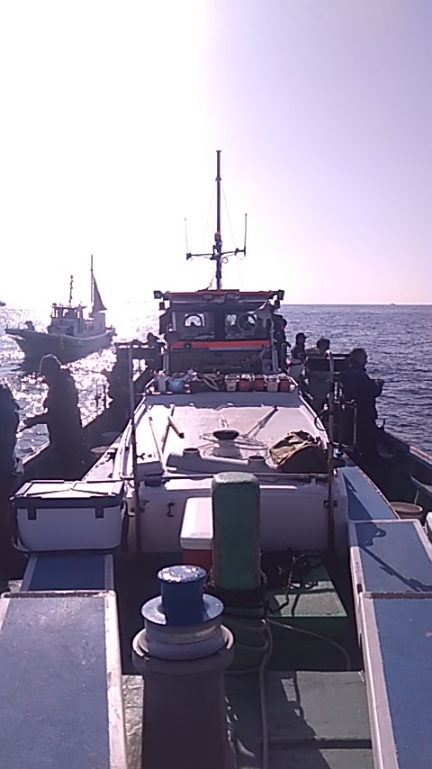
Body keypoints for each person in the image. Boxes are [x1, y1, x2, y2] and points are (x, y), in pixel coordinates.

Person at [23, 355, 88, 479]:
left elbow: (57, 415)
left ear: (51, 372)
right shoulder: (63, 382)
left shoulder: (61, 388)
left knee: (70, 464)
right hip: (71, 429)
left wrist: (34, 420)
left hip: (66, 434)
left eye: (46, 375)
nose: (46, 378)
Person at [341, 348, 384, 460]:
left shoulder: (349, 371)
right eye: (365, 357)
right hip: (363, 412)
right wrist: (378, 386)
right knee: (366, 438)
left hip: (353, 411)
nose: (366, 360)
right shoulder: (358, 374)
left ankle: (360, 454)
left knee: (356, 435)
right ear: (358, 358)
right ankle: (370, 460)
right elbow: (370, 391)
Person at [0, 383, 24, 581]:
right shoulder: (8, 406)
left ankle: (10, 565)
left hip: (4, 472)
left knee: (3, 522)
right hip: (9, 469)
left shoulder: (5, 412)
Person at [304, 338, 331, 412]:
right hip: (316, 381)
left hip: (325, 380)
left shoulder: (329, 356)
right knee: (317, 399)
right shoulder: (312, 353)